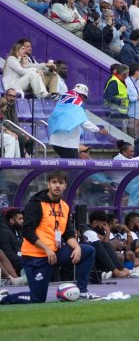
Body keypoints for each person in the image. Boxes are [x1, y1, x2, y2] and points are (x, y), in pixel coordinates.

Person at [0, 170, 99, 304]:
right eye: (54, 182)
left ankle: (82, 291)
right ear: (49, 184)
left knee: (88, 250)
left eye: (61, 183)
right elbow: (27, 232)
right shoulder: (36, 204)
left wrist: (77, 248)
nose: (57, 186)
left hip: (55, 253)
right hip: (35, 257)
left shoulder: (64, 206)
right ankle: (4, 298)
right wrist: (46, 249)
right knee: (37, 298)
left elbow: (68, 233)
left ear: (65, 186)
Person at [48, 84, 107, 159]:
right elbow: (84, 122)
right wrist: (99, 130)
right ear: (82, 96)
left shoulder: (63, 99)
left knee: (66, 166)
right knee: (74, 167)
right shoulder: (77, 101)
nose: (84, 101)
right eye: (85, 98)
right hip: (67, 144)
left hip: (55, 141)